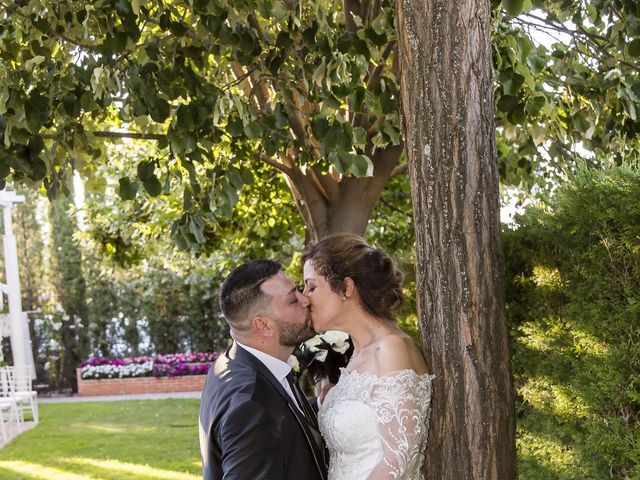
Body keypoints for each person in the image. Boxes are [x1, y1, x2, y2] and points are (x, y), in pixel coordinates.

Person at [302, 233, 435, 480]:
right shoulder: (358, 355)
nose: (304, 298)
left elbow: (398, 462)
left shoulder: (391, 349)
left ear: (346, 288)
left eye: (311, 286)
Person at [199, 259, 328, 480]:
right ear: (264, 325)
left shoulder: (233, 362)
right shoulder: (250, 406)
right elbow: (263, 420)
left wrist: (323, 404)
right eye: (292, 300)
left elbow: (282, 419)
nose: (305, 299)